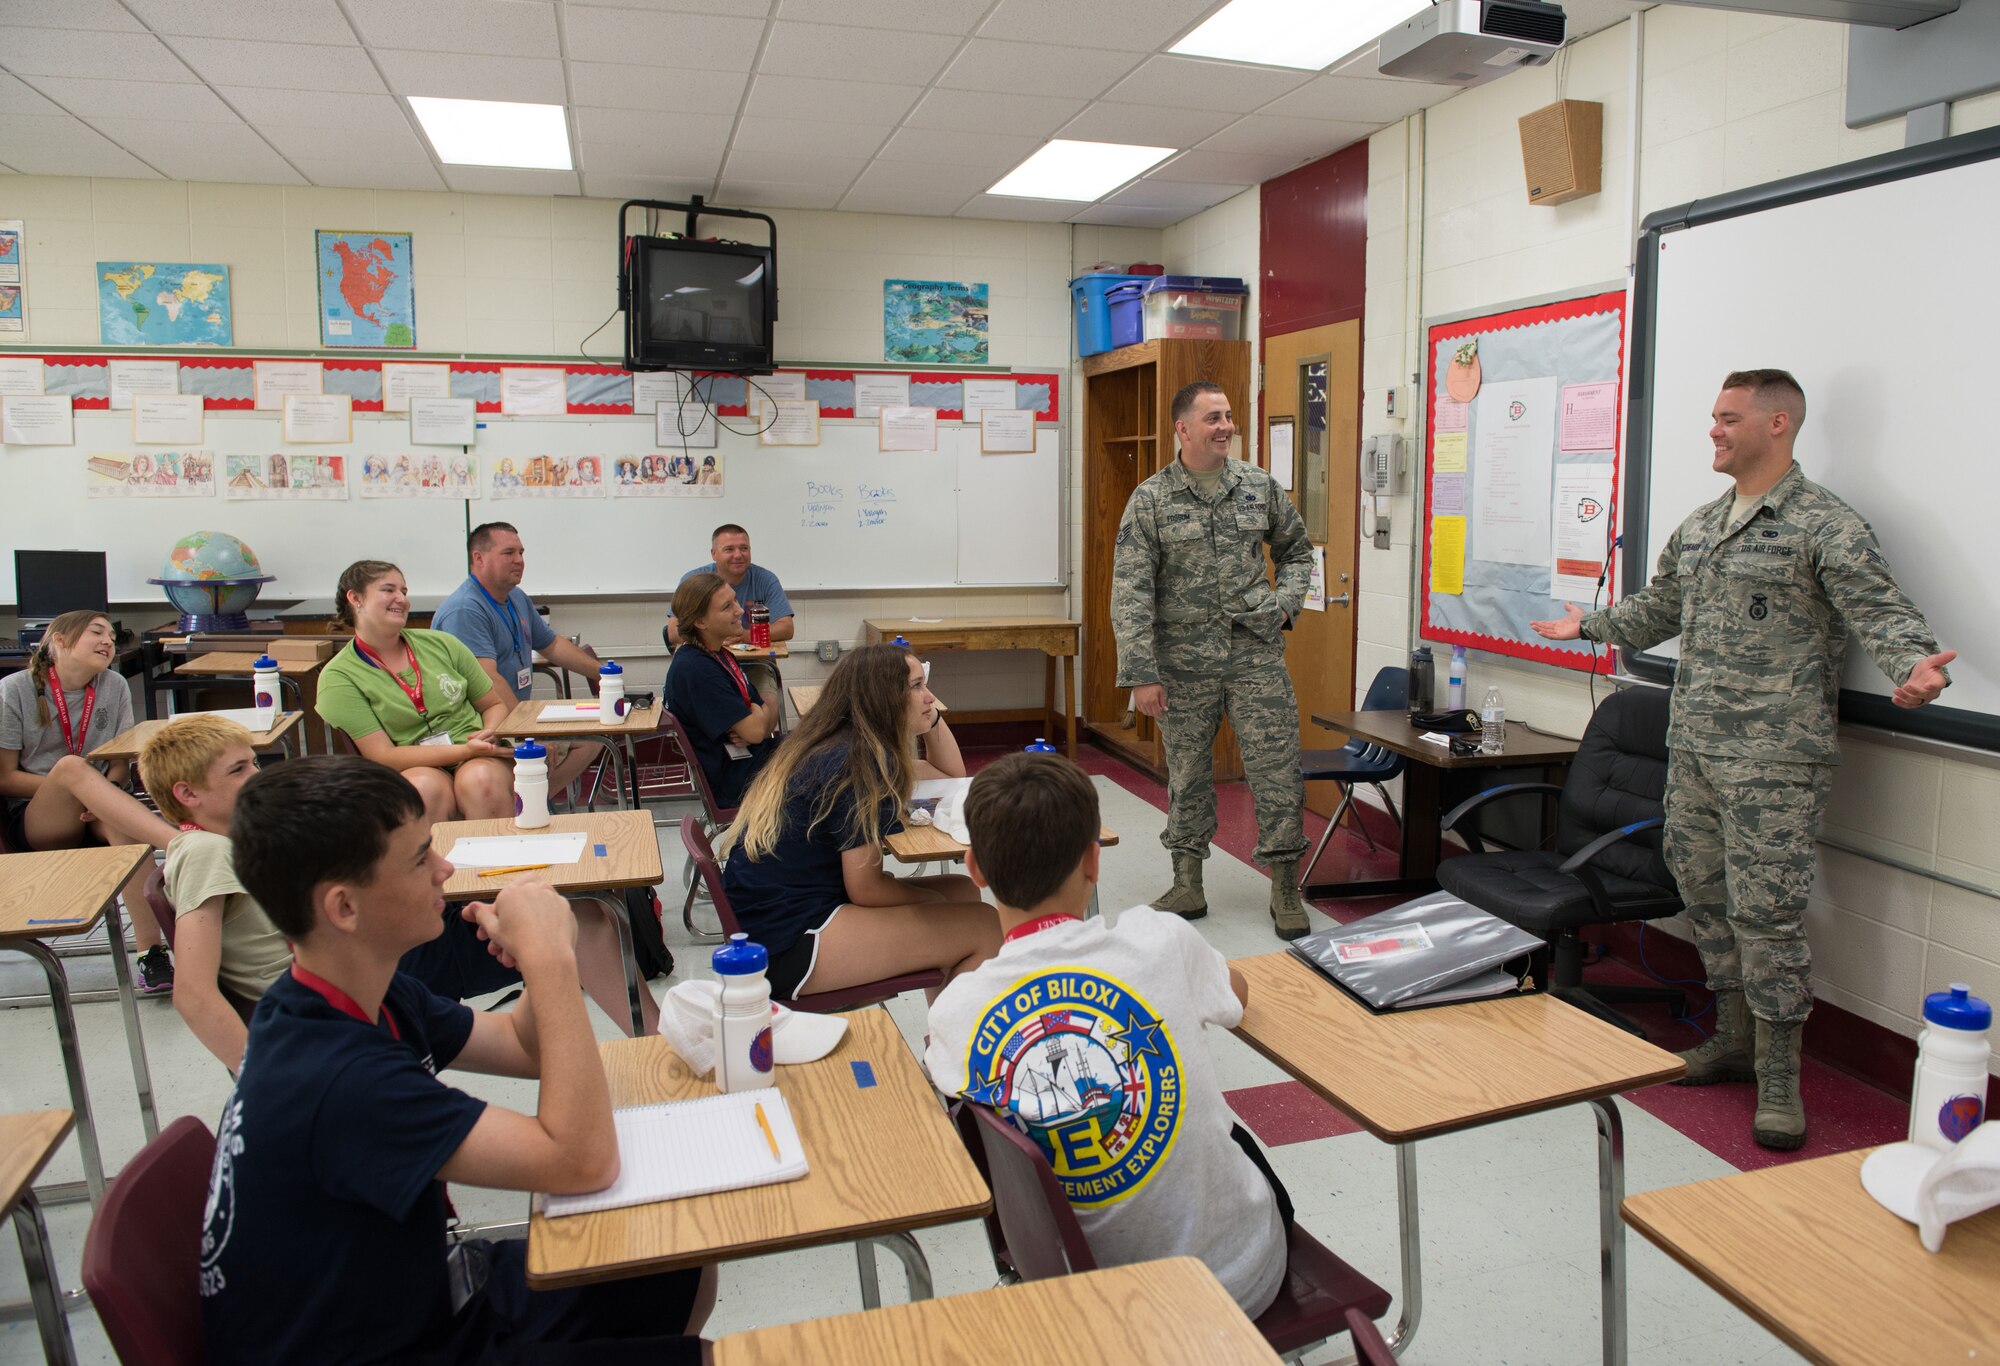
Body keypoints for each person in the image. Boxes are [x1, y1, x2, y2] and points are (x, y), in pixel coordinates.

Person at [1531, 368, 1954, 1151]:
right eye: (1714, 418)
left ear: (1778, 424)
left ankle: (1782, 1074)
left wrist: (1915, 667)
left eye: (1729, 418)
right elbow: (1659, 606)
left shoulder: (1824, 524)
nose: (1715, 431)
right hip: (1692, 750)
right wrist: (1588, 626)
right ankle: (1733, 1040)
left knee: (1770, 918)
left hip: (1775, 761)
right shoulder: (1701, 525)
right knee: (1707, 898)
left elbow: (1880, 609)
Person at [200, 758, 702, 1365]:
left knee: (676, 1261)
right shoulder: (337, 1079)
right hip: (386, 1344)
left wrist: (534, 961)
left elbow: (523, 1049)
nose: (445, 869)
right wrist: (550, 962)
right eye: (419, 859)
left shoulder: (353, 989)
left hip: (421, 1294)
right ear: (344, 908)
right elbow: (582, 1160)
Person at [35, 716, 657, 1070]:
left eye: (254, 762)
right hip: (335, 985)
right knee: (592, 922)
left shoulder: (250, 840)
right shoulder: (203, 852)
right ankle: (656, 1054)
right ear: (188, 797)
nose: (258, 775)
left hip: (354, 967)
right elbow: (196, 992)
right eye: (239, 770)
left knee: (580, 921)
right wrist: (262, 1074)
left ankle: (651, 1051)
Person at [925, 752, 1289, 1316]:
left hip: (1079, 1300)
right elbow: (1235, 996)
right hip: (1237, 1282)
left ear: (974, 868)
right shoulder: (1161, 940)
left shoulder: (954, 1013)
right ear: (1094, 862)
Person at [1111, 381, 1316, 940]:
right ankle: (1187, 883)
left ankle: (1284, 887)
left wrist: (1284, 605)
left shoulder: (1257, 486)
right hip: (1182, 664)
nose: (1226, 426)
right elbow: (1130, 591)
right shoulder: (1151, 499)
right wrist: (1142, 675)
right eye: (1213, 418)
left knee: (1277, 770)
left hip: (1255, 655)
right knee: (1188, 775)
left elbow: (1297, 551)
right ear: (1183, 429)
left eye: (1228, 417)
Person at [719, 643, 995, 1002]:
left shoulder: (842, 742)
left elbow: (948, 774)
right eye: (916, 686)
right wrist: (930, 899)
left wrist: (930, 715)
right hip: (787, 944)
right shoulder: (858, 762)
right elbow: (867, 889)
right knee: (985, 924)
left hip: (772, 921)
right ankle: (955, 1054)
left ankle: (941, 1045)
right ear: (883, 698)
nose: (929, 696)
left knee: (961, 891)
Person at [0, 609, 172, 992]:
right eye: (96, 632)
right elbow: (5, 777)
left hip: (98, 808)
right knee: (72, 766)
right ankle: (178, 843)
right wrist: (74, 785)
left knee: (123, 826)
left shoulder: (113, 684)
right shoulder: (15, 688)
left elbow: (119, 761)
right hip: (39, 818)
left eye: (111, 635)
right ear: (58, 640)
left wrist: (105, 791)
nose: (108, 641)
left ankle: (152, 954)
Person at [316, 560, 515, 825]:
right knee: (422, 791)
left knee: (483, 782)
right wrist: (466, 751)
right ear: (356, 598)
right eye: (388, 590)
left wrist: (489, 732)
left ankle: (497, 865)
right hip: (413, 764)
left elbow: (493, 704)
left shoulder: (442, 644)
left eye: (404, 591)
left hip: (479, 754)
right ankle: (439, 867)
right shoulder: (339, 677)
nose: (401, 599)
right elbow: (383, 757)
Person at [433, 523, 603, 793]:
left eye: (521, 552)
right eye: (508, 552)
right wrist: (528, 733)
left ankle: (529, 801)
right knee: (581, 742)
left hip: (514, 716)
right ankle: (525, 804)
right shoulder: (465, 609)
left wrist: (603, 673)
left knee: (592, 740)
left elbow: (552, 645)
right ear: (479, 558)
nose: (519, 560)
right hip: (483, 724)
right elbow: (488, 680)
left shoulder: (515, 597)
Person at [664, 573, 780, 808]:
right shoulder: (696, 669)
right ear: (700, 622)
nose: (739, 611)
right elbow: (758, 730)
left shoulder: (719, 653)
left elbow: (766, 718)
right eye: (727, 606)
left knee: (829, 750)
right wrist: (755, 715)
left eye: (735, 601)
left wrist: (754, 714)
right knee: (831, 765)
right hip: (738, 779)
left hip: (753, 758)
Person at [665, 524, 793, 648]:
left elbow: (786, 628)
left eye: (744, 548)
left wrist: (746, 636)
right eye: (729, 549)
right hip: (707, 657)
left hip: (753, 661)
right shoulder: (693, 581)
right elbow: (674, 632)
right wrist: (716, 637)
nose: (738, 555)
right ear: (714, 554)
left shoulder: (766, 579)